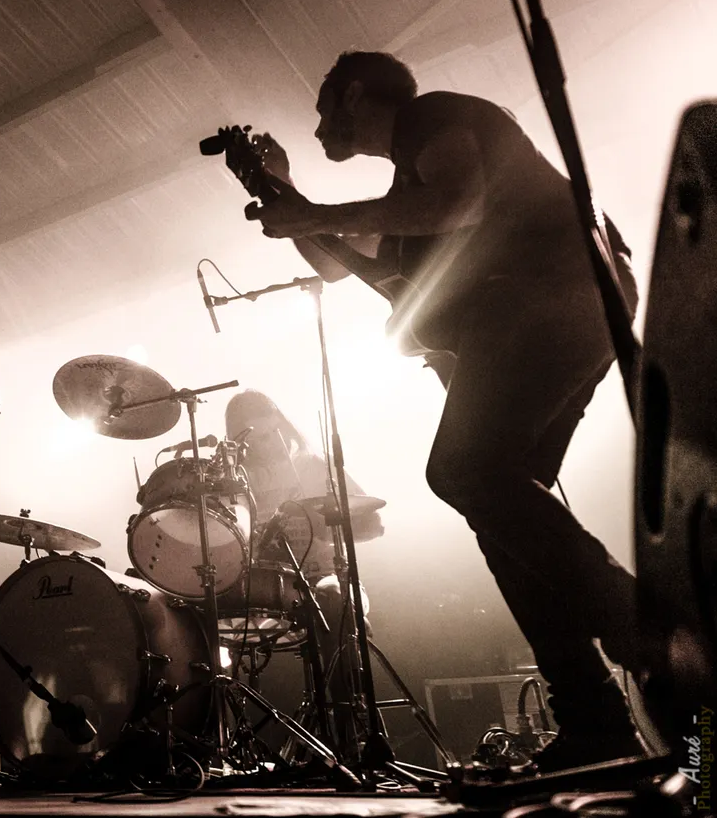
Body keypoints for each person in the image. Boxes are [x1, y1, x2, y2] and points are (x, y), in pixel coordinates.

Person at [240, 51, 644, 771]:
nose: (317, 124)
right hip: (556, 312)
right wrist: (284, 193)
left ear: (354, 94)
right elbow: (341, 261)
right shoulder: (404, 189)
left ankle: (632, 617)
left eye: (323, 107)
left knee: (463, 470)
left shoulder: (433, 116)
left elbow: (458, 202)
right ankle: (595, 720)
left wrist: (317, 209)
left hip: (552, 297)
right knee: (500, 512)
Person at [225, 389, 379, 751]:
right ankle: (216, 741)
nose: (263, 445)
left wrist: (327, 526)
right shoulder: (234, 480)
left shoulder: (314, 465)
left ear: (280, 421)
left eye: (266, 434)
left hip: (319, 576)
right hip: (261, 584)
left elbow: (373, 523)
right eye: (249, 438)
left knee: (332, 599)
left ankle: (348, 734)